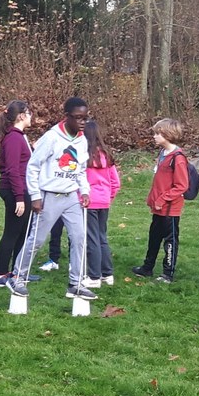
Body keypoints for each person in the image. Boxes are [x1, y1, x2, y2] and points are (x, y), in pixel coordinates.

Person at [9, 97, 93, 302]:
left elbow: (81, 169)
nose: (82, 122)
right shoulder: (52, 137)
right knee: (37, 240)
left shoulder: (82, 140)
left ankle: (76, 284)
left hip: (71, 197)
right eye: (78, 118)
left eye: (85, 118)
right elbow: (33, 166)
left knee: (79, 238)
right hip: (49, 196)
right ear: (67, 117)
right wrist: (35, 196)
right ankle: (17, 277)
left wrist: (84, 191)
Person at [133, 118, 191, 283]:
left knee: (170, 241)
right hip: (158, 208)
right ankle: (147, 267)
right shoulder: (162, 154)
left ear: (168, 134)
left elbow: (182, 185)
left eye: (157, 133)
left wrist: (163, 199)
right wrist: (152, 199)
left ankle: (168, 273)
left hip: (170, 209)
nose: (154, 136)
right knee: (154, 237)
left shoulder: (177, 158)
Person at [0, 101, 33, 286]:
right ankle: (0, 274)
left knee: (23, 232)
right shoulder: (14, 138)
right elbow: (12, 169)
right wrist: (19, 198)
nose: (31, 116)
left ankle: (17, 273)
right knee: (12, 232)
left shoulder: (19, 136)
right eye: (29, 113)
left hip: (23, 189)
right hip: (16, 190)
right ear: (21, 116)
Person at [82, 119, 120, 289]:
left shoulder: (84, 157)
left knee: (92, 239)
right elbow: (115, 182)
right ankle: (107, 273)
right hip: (103, 201)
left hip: (89, 202)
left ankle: (94, 276)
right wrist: (108, 198)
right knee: (101, 236)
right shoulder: (107, 155)